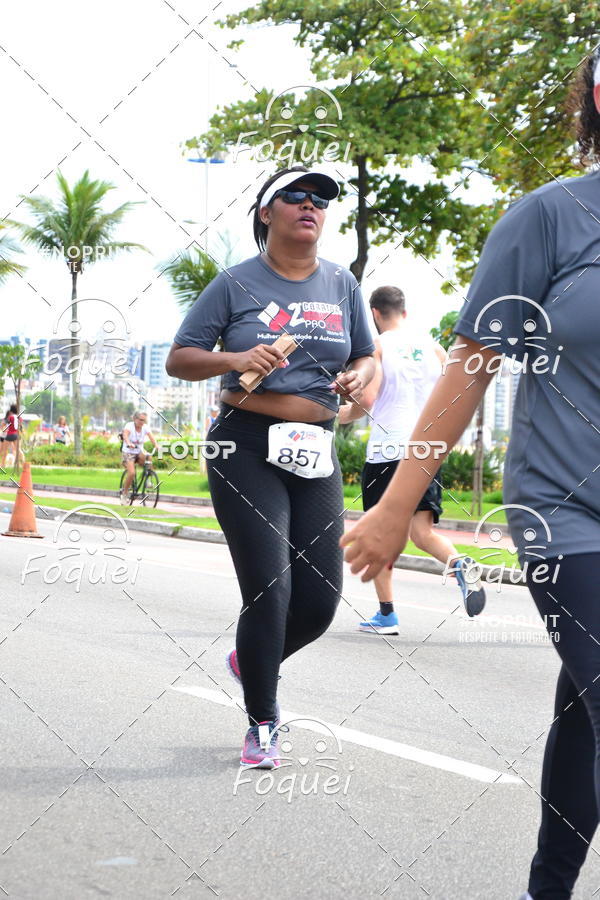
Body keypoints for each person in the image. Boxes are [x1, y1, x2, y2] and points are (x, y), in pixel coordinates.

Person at [341, 49, 600, 899]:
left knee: (585, 713)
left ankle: (547, 888)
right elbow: (471, 367)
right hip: (570, 518)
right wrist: (396, 510)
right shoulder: (552, 219)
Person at [166, 164, 375, 768]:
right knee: (270, 588)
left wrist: (360, 378)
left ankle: (249, 661)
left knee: (320, 602)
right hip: (245, 442)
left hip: (315, 447)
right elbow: (181, 358)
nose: (311, 207)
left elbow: (366, 356)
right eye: (296, 197)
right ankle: (263, 721)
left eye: (321, 201)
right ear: (267, 213)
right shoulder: (234, 284)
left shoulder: (343, 284)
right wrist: (236, 355)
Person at [338, 285, 485, 634]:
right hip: (426, 450)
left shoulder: (377, 347)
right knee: (421, 532)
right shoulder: (434, 348)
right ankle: (460, 563)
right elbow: (456, 397)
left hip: (387, 451)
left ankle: (387, 614)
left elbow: (366, 403)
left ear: (375, 314)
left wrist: (336, 413)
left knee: (380, 531)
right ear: (404, 311)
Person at [120, 411, 158, 504]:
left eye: (144, 420)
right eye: (140, 420)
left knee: (148, 457)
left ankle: (148, 479)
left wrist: (156, 445)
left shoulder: (145, 427)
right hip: (128, 452)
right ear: (135, 419)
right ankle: (124, 494)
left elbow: (151, 437)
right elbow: (125, 435)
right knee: (132, 473)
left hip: (139, 451)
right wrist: (128, 443)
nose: (142, 422)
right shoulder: (129, 426)